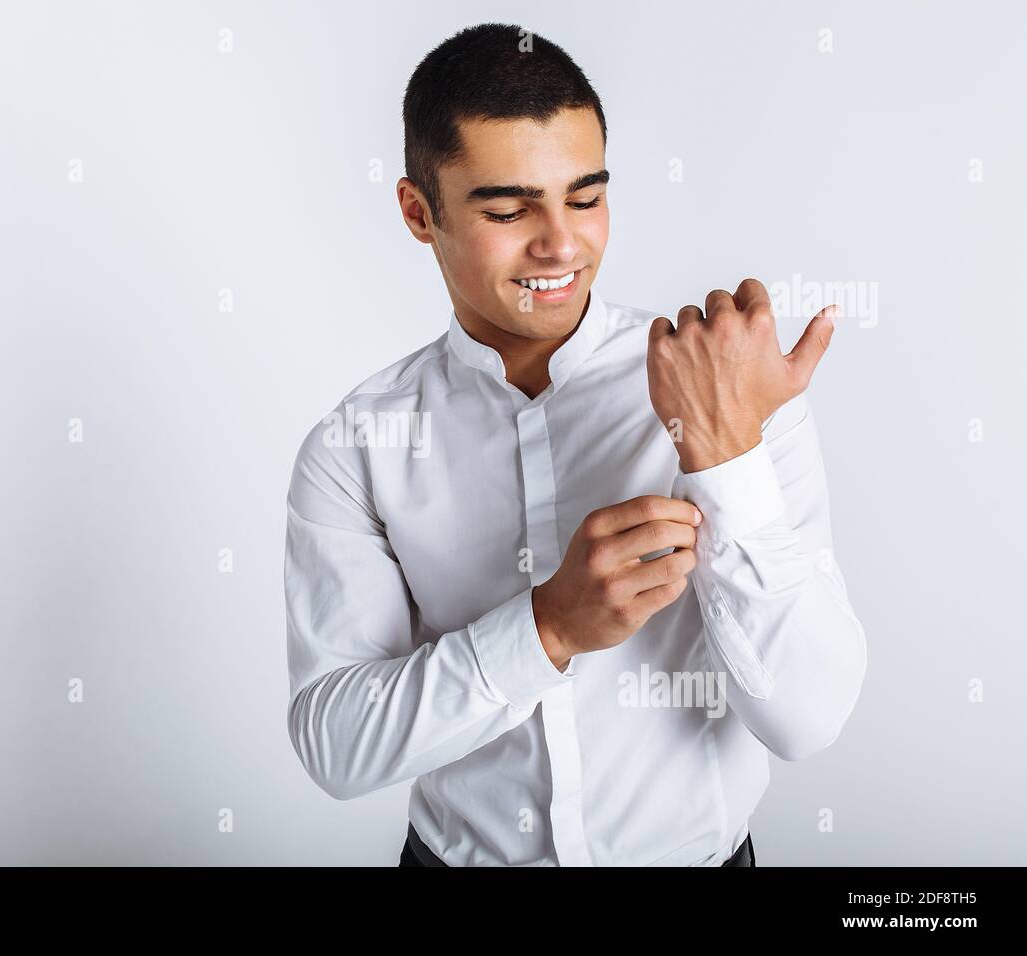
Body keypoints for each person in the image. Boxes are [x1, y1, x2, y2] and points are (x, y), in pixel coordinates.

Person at [283, 22, 866, 866]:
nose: (562, 243)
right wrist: (546, 629)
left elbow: (810, 722)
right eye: (510, 208)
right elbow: (337, 745)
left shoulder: (730, 388)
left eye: (585, 197)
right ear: (419, 212)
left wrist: (727, 456)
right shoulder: (355, 448)